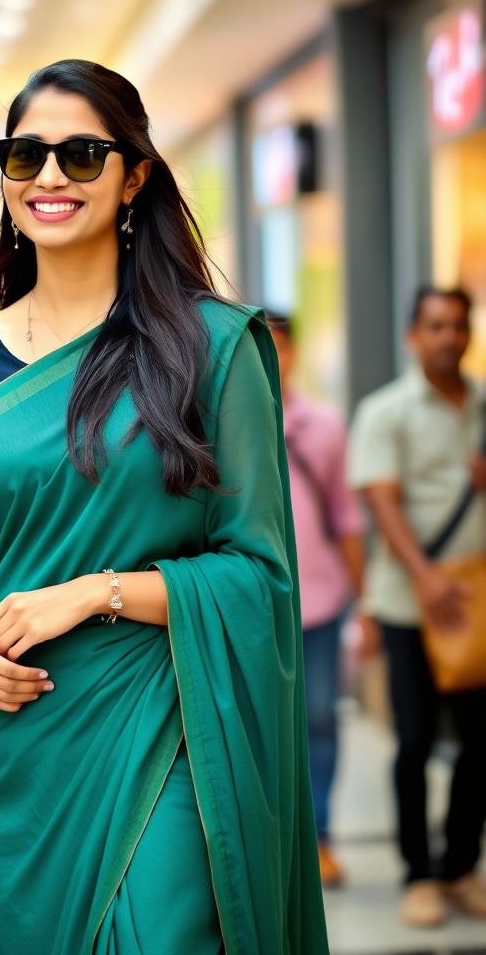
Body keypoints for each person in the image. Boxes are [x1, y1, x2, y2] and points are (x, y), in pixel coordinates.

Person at [0, 59, 327, 954]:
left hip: (161, 720)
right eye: (26, 156)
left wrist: (95, 591)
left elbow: (258, 572)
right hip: (9, 743)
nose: (51, 177)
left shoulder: (213, 345)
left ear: (135, 174)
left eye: (82, 154)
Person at [349, 285, 486, 928]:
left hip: (478, 605)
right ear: (413, 335)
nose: (448, 337)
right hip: (410, 604)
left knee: (481, 744)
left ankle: (460, 867)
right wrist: (426, 578)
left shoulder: (484, 406)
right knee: (415, 741)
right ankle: (418, 875)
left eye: (457, 326)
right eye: (435, 326)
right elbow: (381, 501)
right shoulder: (386, 411)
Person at [267, 311, 367, 888]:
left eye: (281, 349)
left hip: (322, 601)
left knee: (322, 720)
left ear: (295, 354)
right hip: (252, 610)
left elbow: (347, 519)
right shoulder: (212, 423)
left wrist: (367, 603)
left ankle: (321, 838)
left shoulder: (325, 427)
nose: (272, 361)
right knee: (261, 726)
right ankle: (275, 843)